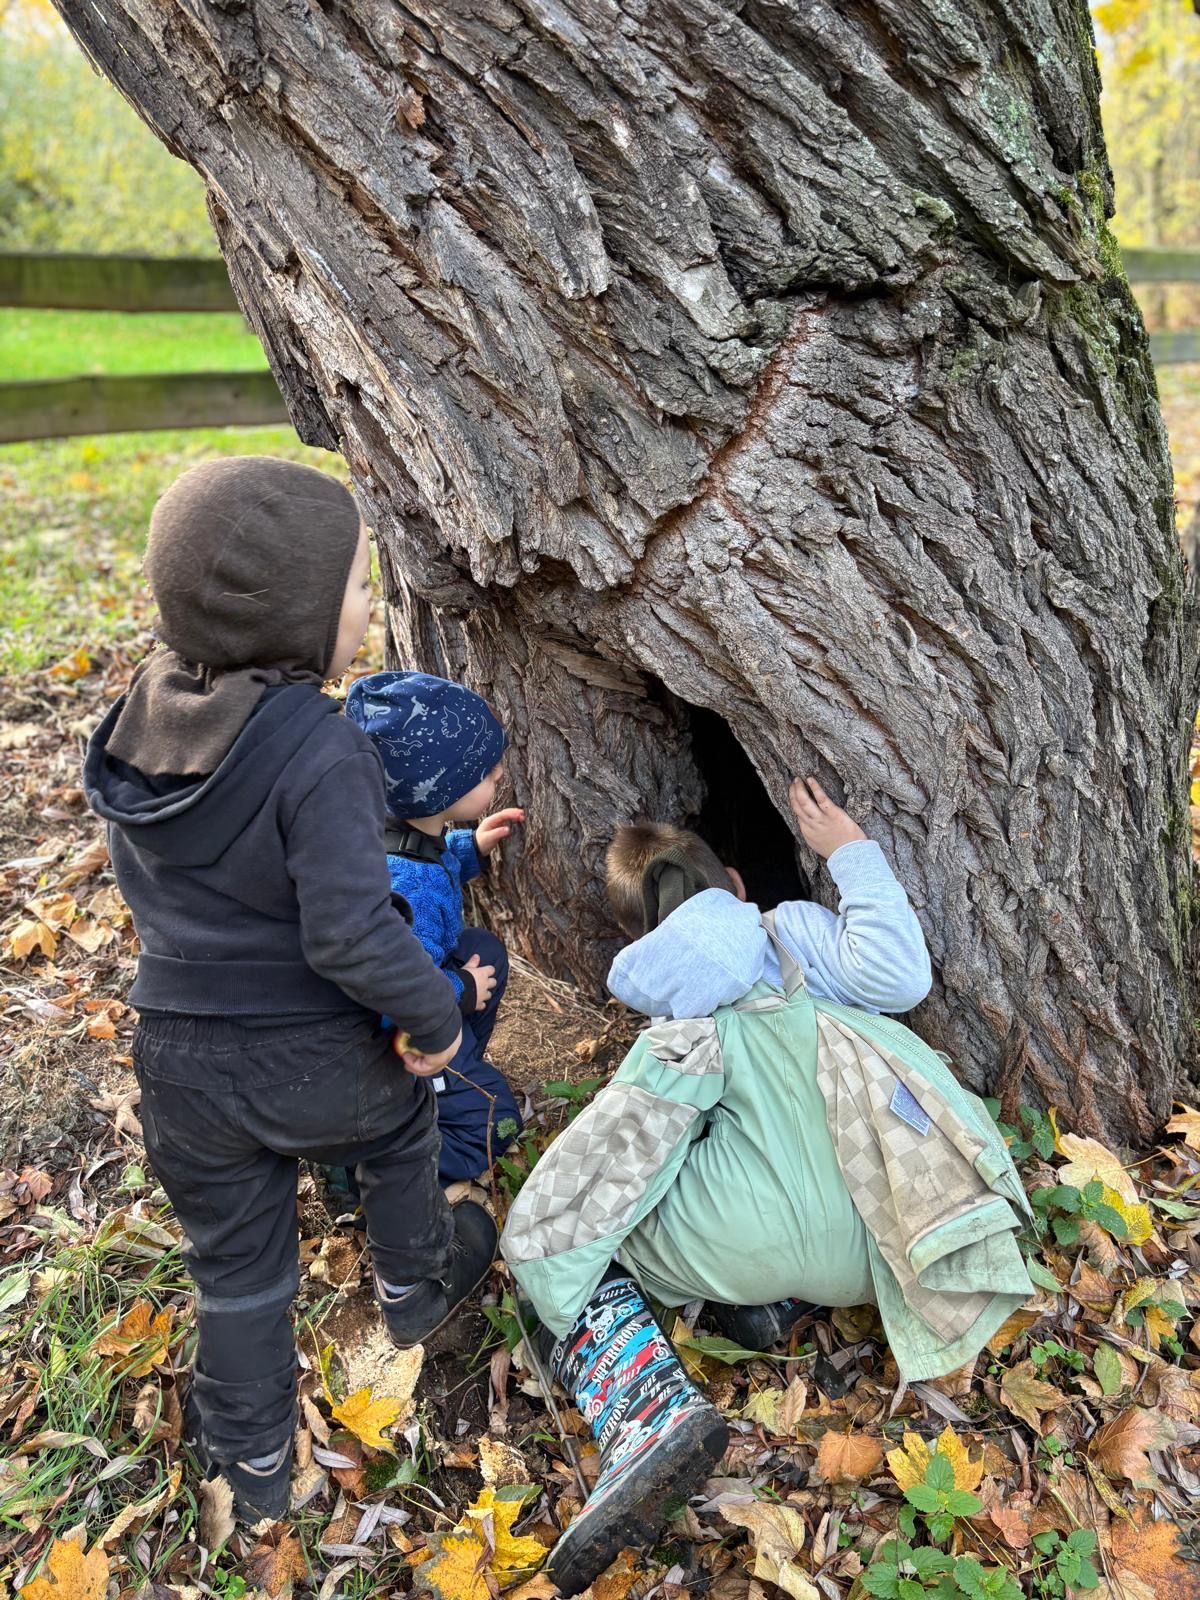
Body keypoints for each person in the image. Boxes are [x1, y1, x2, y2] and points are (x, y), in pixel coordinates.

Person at [83, 457, 497, 1522]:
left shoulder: (139, 724)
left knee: (237, 1269)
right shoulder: (322, 747)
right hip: (309, 1055)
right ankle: (413, 1284)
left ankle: (255, 1461)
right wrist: (434, 1016)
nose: (367, 607)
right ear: (293, 612)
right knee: (400, 1121)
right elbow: (351, 931)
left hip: (177, 1063)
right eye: (357, 587)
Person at [503, 779, 1032, 1595]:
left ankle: (643, 1408)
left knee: (599, 1233)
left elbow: (636, 1162)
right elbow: (902, 978)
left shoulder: (678, 1012)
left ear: (643, 942)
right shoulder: (792, 933)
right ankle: (774, 1307)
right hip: (902, 1220)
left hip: (756, 1238)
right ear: (737, 883)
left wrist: (550, 1263)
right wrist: (851, 854)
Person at [339, 670, 524, 1180]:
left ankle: (455, 1071)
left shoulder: (392, 827)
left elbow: (430, 857)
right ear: (438, 791)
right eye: (484, 771)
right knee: (499, 1121)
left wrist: (471, 847)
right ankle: (379, 1169)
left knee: (483, 947)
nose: (499, 772)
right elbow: (395, 990)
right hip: (397, 1035)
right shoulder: (406, 890)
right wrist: (460, 988)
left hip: (417, 1008)